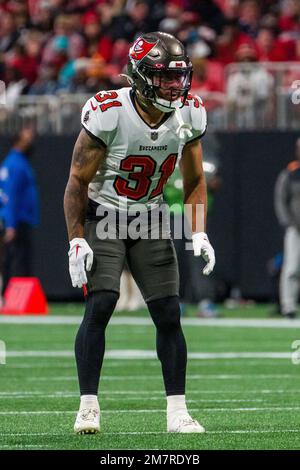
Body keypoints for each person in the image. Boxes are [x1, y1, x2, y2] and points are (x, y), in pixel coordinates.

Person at [64, 31, 215, 435]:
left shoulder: (189, 114)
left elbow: (195, 178)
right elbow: (77, 181)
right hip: (105, 214)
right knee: (102, 304)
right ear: (140, 75)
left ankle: (177, 411)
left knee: (168, 312)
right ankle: (88, 406)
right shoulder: (109, 110)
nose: (174, 85)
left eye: (178, 76)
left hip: (149, 216)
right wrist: (76, 237)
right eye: (164, 76)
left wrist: (198, 231)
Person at [0, 127, 39, 292]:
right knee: (15, 260)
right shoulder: (15, 164)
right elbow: (10, 196)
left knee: (17, 258)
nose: (30, 142)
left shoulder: (17, 162)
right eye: (27, 138)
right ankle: (10, 295)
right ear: (18, 141)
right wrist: (10, 224)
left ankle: (11, 295)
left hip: (20, 219)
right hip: (17, 220)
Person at [274, 138, 300, 319]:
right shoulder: (291, 174)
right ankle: (288, 305)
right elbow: (281, 200)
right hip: (296, 228)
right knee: (292, 267)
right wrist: (290, 222)